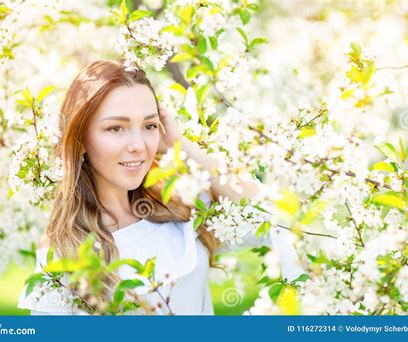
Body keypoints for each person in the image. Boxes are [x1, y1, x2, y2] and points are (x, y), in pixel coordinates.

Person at [17, 60, 303, 315]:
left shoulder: (178, 206)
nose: (138, 146)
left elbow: (276, 213)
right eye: (116, 128)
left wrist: (181, 147)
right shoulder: (66, 250)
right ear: (80, 138)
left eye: (149, 126)